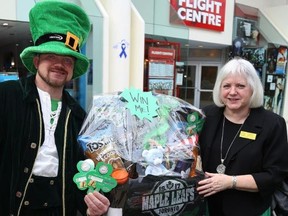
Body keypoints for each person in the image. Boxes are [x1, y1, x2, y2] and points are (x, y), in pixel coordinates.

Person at [0, 1, 110, 216]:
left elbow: (81, 176)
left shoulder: (79, 116)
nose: (60, 64)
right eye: (51, 56)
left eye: (68, 60)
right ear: (37, 59)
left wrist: (92, 206)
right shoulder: (6, 96)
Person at [197, 58, 288, 216]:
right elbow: (189, 150)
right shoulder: (206, 116)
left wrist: (230, 182)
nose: (232, 92)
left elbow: (274, 176)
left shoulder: (273, 124)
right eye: (226, 86)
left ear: (253, 89)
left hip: (250, 209)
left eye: (240, 86)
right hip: (206, 207)